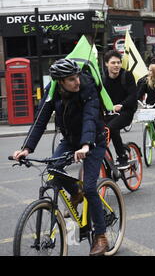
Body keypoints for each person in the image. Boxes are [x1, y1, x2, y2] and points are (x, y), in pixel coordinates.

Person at [13, 59, 109, 256]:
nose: (77, 82)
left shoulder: (87, 85)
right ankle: (75, 193)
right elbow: (40, 119)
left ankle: (101, 236)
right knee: (53, 171)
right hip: (70, 139)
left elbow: (90, 117)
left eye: (77, 77)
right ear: (61, 81)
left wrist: (86, 144)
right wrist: (26, 148)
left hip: (94, 140)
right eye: (71, 79)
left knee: (90, 187)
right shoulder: (52, 90)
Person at [103, 50, 137, 169]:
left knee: (112, 127)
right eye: (113, 63)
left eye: (118, 62)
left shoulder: (126, 75)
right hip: (109, 112)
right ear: (106, 64)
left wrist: (121, 105)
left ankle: (122, 157)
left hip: (126, 111)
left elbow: (133, 95)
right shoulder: (103, 78)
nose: (116, 65)